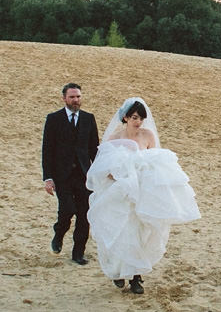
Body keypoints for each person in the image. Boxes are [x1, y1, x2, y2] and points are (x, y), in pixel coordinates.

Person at [86, 97, 199, 294]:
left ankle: (137, 278)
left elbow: (155, 163)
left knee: (140, 234)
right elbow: (105, 167)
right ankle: (119, 273)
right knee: (122, 232)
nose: (138, 122)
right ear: (126, 118)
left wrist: (141, 173)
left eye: (141, 119)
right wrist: (122, 174)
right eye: (135, 118)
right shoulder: (114, 138)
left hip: (142, 192)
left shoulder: (147, 136)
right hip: (120, 193)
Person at [42, 83, 100, 265]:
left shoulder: (88, 119)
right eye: (72, 97)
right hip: (62, 176)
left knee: (84, 215)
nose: (76, 100)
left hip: (84, 176)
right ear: (64, 98)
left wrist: (99, 174)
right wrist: (48, 178)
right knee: (67, 210)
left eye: (78, 97)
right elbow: (47, 150)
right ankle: (58, 234)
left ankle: (78, 253)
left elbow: (94, 150)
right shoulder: (53, 119)